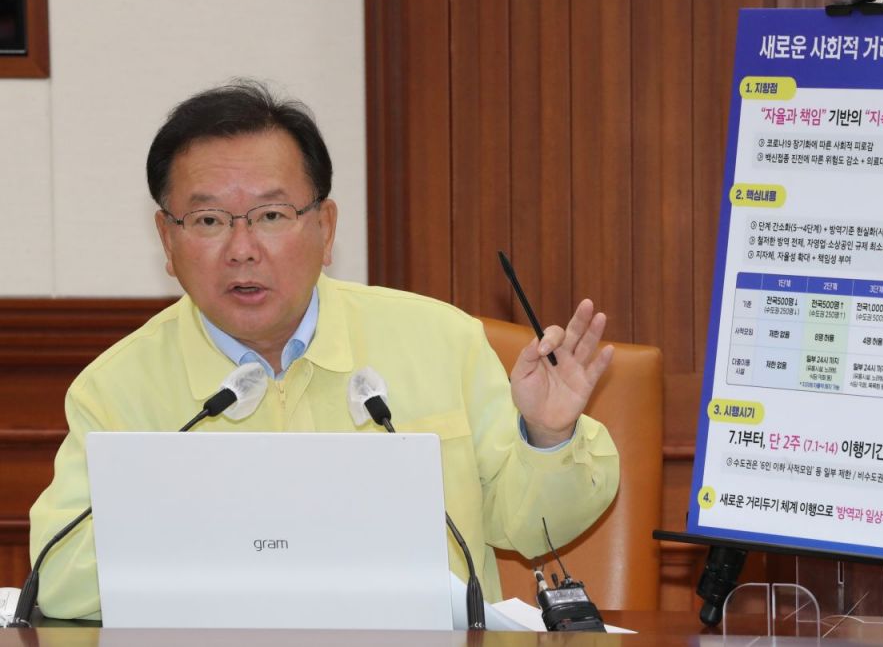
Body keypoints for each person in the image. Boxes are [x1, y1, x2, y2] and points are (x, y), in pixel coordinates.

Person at [28, 80, 620, 620]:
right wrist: (250, 544)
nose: (242, 249)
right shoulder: (116, 388)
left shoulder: (442, 342)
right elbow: (60, 577)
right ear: (167, 239)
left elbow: (533, 526)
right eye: (208, 220)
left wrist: (548, 436)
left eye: (271, 215)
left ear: (326, 227)